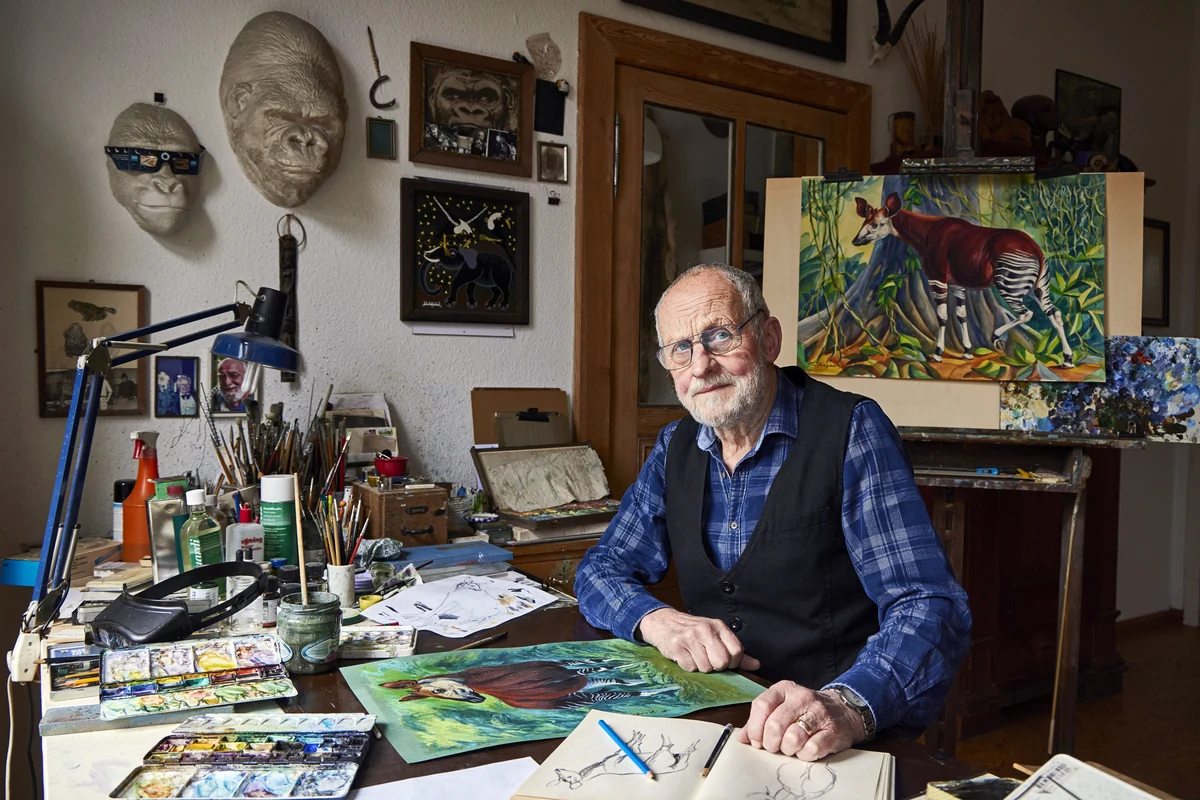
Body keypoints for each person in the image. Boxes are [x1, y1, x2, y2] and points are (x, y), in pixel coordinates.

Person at [575, 263, 971, 762]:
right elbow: (601, 568)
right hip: (717, 720)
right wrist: (657, 620)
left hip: (826, 734)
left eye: (720, 336)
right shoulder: (675, 445)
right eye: (680, 349)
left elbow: (928, 603)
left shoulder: (852, 430)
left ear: (768, 339)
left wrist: (848, 705)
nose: (700, 366)